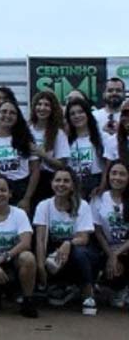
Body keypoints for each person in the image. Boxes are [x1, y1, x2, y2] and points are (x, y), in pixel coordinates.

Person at [34, 168, 99, 315]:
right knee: (38, 253)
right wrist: (40, 267)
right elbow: (40, 239)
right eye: (57, 180)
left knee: (80, 252)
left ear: (73, 185)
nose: (61, 184)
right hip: (55, 253)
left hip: (77, 250)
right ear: (51, 183)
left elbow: (84, 238)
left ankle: (88, 294)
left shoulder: (82, 205)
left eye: (66, 181)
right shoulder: (44, 206)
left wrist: (68, 243)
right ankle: (57, 286)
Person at [0, 178, 38, 317]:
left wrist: (3, 258)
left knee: (28, 258)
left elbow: (26, 242)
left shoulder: (20, 214)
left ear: (10, 194)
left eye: (3, 190)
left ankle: (28, 300)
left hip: (12, 260)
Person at [0, 98, 40, 213]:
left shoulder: (25, 138)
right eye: (3, 112)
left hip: (22, 189)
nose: (7, 115)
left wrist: (27, 198)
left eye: (12, 113)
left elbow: (35, 170)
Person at [91, 161, 129, 308]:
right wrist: (111, 255)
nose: (117, 177)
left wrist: (117, 254)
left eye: (122, 174)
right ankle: (115, 289)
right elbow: (98, 231)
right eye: (114, 173)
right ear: (107, 176)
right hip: (105, 248)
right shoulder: (98, 197)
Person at [28, 91, 70, 206]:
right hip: (27, 180)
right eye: (39, 104)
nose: (42, 108)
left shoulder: (58, 133)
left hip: (48, 182)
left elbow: (62, 165)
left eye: (46, 105)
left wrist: (42, 155)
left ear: (52, 109)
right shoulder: (27, 129)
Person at [66, 97, 108, 199]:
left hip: (96, 184)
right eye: (73, 114)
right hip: (73, 185)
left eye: (80, 112)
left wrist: (102, 186)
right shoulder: (66, 140)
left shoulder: (102, 137)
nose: (77, 116)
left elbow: (108, 165)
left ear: (88, 114)